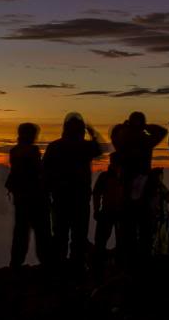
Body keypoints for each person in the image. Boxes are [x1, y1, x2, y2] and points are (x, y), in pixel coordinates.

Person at [43, 112, 103, 269]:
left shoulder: (54, 147)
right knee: (79, 235)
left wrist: (47, 194)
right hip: (80, 199)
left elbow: (45, 172)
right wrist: (94, 134)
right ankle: (77, 267)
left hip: (60, 198)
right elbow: (99, 149)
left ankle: (58, 267)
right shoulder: (86, 146)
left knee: (60, 235)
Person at [115, 112, 168, 260]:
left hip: (127, 188)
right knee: (144, 226)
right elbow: (162, 131)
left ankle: (130, 260)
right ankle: (144, 259)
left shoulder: (123, 141)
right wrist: (144, 126)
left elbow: (114, 133)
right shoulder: (146, 140)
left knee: (129, 227)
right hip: (144, 188)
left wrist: (126, 127)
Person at [6, 123, 51, 267]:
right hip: (35, 198)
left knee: (21, 232)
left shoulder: (15, 151)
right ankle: (45, 262)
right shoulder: (32, 151)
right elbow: (39, 172)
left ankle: (16, 263)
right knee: (41, 232)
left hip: (21, 198)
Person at [92, 158, 126, 261]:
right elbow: (96, 194)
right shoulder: (106, 177)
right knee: (101, 241)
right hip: (109, 212)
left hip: (116, 213)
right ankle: (102, 263)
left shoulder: (107, 177)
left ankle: (104, 263)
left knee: (118, 241)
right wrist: (97, 210)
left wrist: (97, 210)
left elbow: (96, 194)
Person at [146, 168, 169, 255]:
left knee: (162, 242)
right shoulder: (154, 189)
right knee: (155, 242)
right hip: (156, 219)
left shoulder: (160, 188)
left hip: (162, 219)